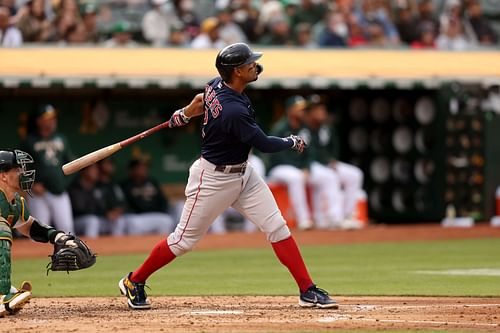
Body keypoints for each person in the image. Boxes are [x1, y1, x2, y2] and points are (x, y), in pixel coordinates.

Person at [118, 42, 337, 310]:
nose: (255, 65)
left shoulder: (216, 83)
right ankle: (134, 280)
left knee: (277, 228)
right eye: (249, 63)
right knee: (182, 241)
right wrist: (292, 141)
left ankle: (307, 290)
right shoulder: (234, 111)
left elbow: (201, 101)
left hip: (244, 174)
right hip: (213, 180)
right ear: (235, 72)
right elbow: (266, 144)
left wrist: (184, 115)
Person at [0, 149, 86, 316]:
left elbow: (30, 226)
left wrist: (57, 236)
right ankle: (2, 296)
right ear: (4, 176)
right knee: (1, 227)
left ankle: (4, 291)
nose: (23, 173)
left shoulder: (15, 202)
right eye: (17, 170)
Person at [302, 95, 364, 229]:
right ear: (309, 112)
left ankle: (348, 216)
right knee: (330, 177)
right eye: (317, 109)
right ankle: (335, 218)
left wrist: (332, 160)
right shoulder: (302, 128)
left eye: (322, 108)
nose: (321, 111)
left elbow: (334, 147)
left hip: (325, 164)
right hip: (309, 166)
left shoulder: (326, 128)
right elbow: (306, 152)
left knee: (355, 174)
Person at [21, 104, 75, 233]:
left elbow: (70, 162)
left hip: (59, 191)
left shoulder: (61, 139)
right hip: (39, 193)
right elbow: (20, 167)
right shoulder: (29, 141)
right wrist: (31, 184)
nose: (52, 121)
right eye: (48, 118)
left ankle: (69, 253)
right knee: (40, 230)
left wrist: (63, 183)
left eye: (53, 118)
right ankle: (38, 253)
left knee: (67, 229)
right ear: (39, 121)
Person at [267, 95, 314, 230]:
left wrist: (306, 167)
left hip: (298, 168)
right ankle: (303, 219)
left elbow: (308, 153)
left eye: (303, 109)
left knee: (326, 177)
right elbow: (275, 155)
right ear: (290, 110)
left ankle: (328, 218)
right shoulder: (280, 128)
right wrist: (300, 168)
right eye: (299, 109)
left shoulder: (304, 128)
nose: (302, 112)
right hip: (278, 169)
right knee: (296, 177)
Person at [121, 158, 175, 235]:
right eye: (140, 168)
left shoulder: (152, 182)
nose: (144, 170)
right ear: (132, 170)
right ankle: (135, 247)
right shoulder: (125, 185)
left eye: (144, 167)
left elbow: (163, 201)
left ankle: (161, 247)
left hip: (154, 214)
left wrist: (159, 210)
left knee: (166, 221)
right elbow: (126, 204)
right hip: (136, 216)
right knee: (134, 223)